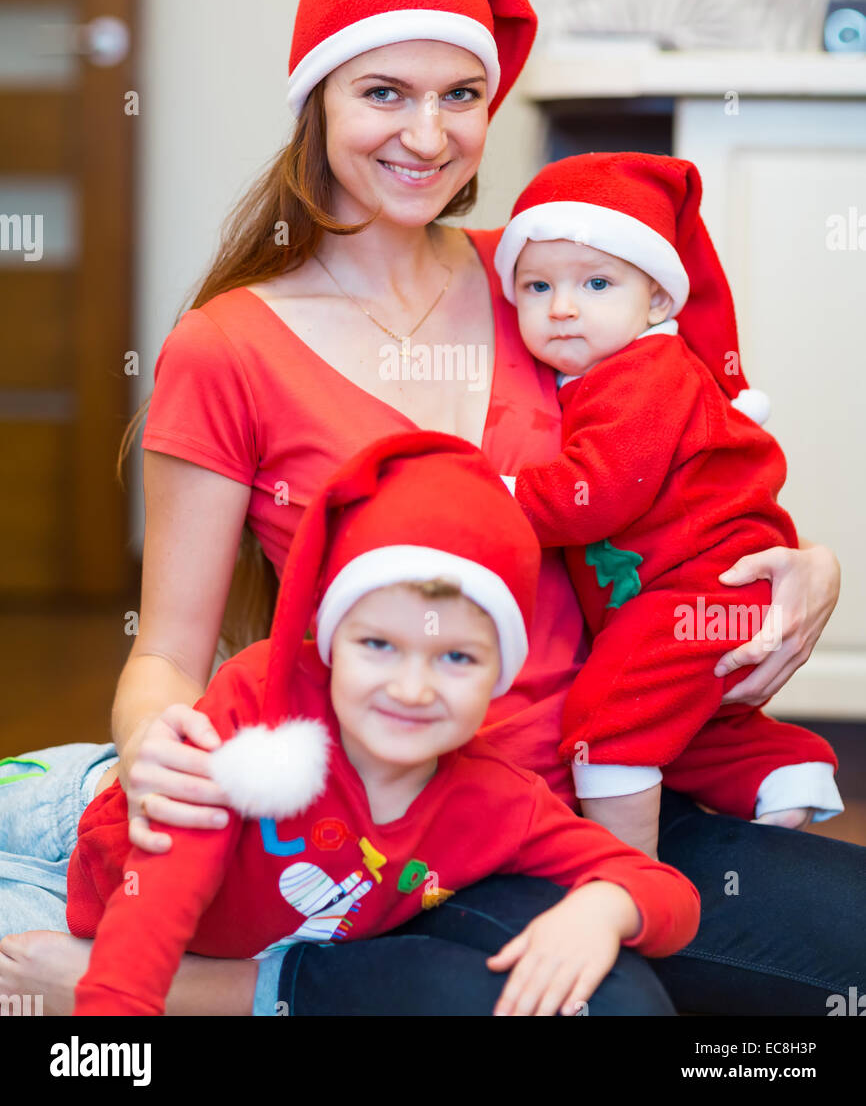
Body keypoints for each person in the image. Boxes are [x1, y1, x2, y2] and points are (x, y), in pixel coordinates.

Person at [0, 0, 860, 1019]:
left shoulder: (546, 281)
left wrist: (810, 567)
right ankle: (233, 984)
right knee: (610, 1012)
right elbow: (165, 650)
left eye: (460, 94)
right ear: (318, 101)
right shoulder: (230, 346)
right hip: (405, 818)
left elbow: (697, 471)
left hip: (624, 779)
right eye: (384, 93)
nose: (428, 133)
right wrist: (149, 738)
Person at [68, 431, 700, 1017]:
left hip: (247, 954)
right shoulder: (255, 711)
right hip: (79, 855)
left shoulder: (497, 803)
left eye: (456, 658)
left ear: (500, 676)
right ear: (332, 642)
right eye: (378, 646)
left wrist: (603, 907)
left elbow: (667, 892)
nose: (412, 689)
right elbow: (158, 899)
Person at [492, 152, 843, 858]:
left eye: (596, 282)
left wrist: (497, 496)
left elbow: (600, 494)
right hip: (703, 595)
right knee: (691, 727)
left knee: (611, 717)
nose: (562, 307)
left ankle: (623, 875)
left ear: (657, 300)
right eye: (537, 286)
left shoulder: (644, 375)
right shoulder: (611, 370)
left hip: (699, 590)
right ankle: (783, 776)